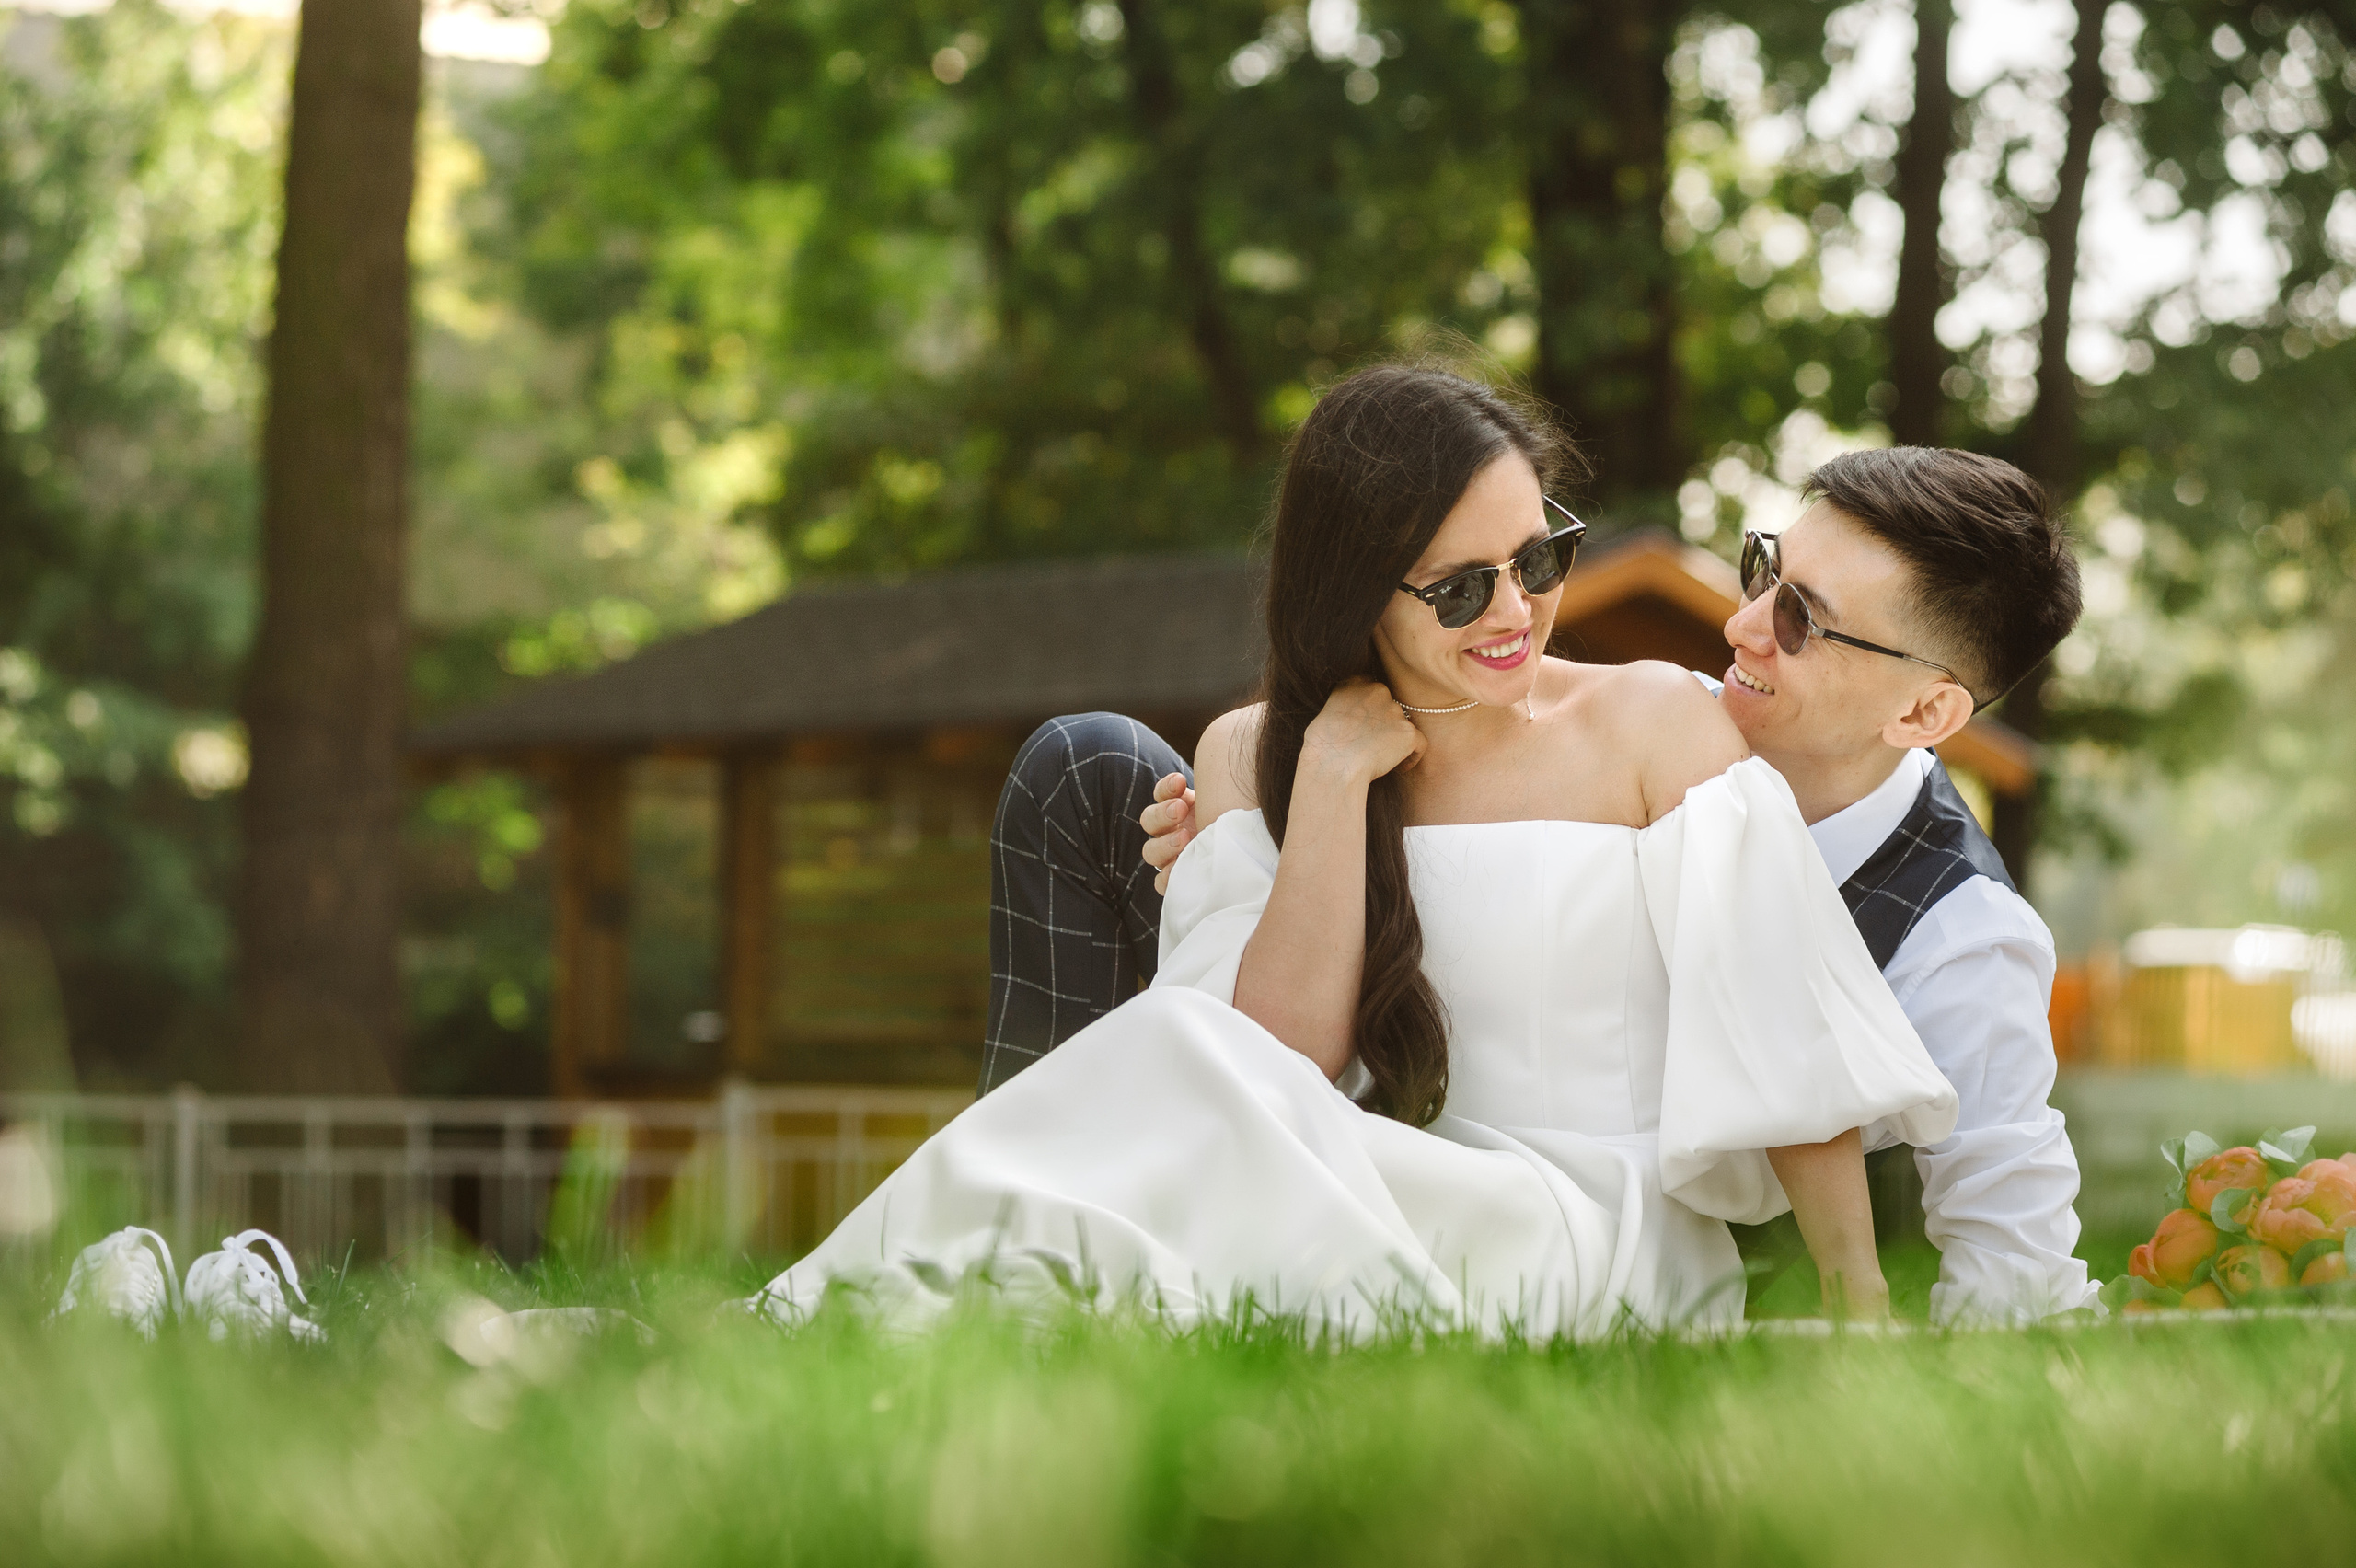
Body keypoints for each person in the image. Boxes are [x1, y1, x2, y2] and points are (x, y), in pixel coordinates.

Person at [756, 364, 1956, 1337]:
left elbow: (1781, 1019)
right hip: (1362, 1185)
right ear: (1356, 593)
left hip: (1591, 1227)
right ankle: (852, 1321)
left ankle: (852, 1314)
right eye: (1458, 588)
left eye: (1538, 561)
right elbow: (1266, 1064)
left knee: (1167, 1101)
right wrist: (1329, 778)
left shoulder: (1655, 722)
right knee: (1175, 1062)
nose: (1514, 613)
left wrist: (1858, 1298)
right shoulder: (1251, 756)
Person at [995, 444, 2099, 1326]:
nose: (1738, 624)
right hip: (1347, 1037)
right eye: (1763, 569)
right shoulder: (1657, 722)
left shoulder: (1959, 938)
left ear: (1922, 716)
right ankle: (1025, 1205)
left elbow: (2010, 1260)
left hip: (1607, 1229)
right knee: (1088, 766)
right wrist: (1260, 845)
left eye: (1800, 621)